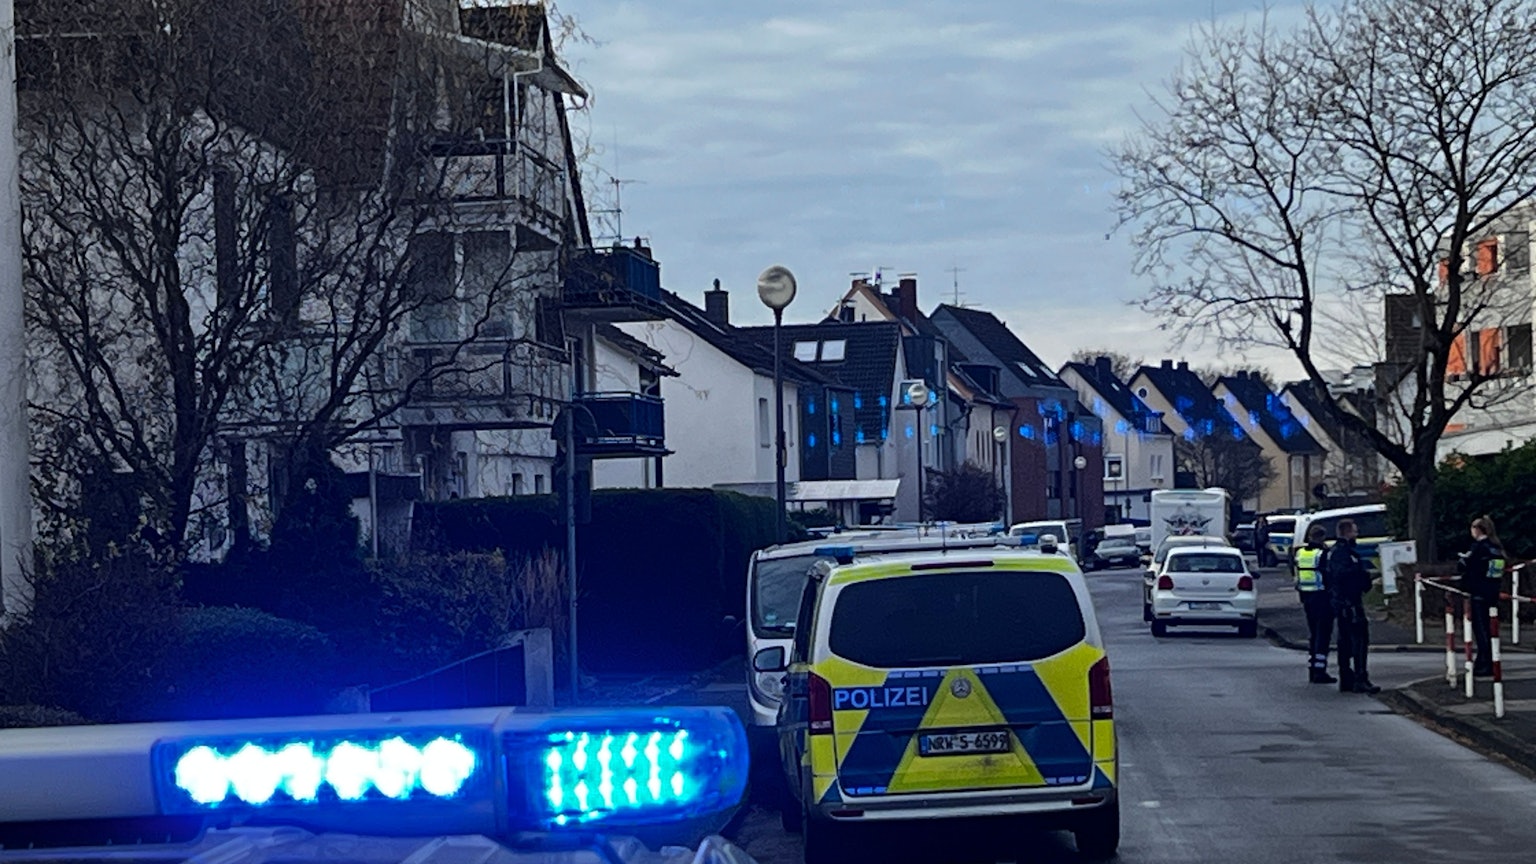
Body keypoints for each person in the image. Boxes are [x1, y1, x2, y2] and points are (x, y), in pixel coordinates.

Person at [1327, 518, 1379, 694]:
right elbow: (1345, 577)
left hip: (1342, 603)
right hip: (1350, 604)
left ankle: (1347, 678)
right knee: (1358, 642)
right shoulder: (1344, 554)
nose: (1357, 535)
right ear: (1347, 533)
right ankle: (1359, 678)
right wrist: (1363, 577)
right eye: (1355, 532)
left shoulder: (1336, 552)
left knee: (1346, 642)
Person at [1459, 515, 1507, 678]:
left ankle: (1484, 663)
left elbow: (1469, 569)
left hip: (1478, 593)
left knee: (1481, 630)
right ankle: (1489, 661)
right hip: (1492, 592)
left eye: (1473, 527)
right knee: (1490, 629)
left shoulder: (1478, 548)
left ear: (1479, 530)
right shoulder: (1496, 548)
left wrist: (1464, 563)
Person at [1293, 525, 1336, 684]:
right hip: (1322, 597)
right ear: (1321, 537)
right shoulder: (1322, 554)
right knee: (1323, 636)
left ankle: (1313, 669)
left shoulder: (1300, 553)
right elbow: (1329, 575)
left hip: (1306, 597)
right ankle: (1320, 670)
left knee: (1314, 634)